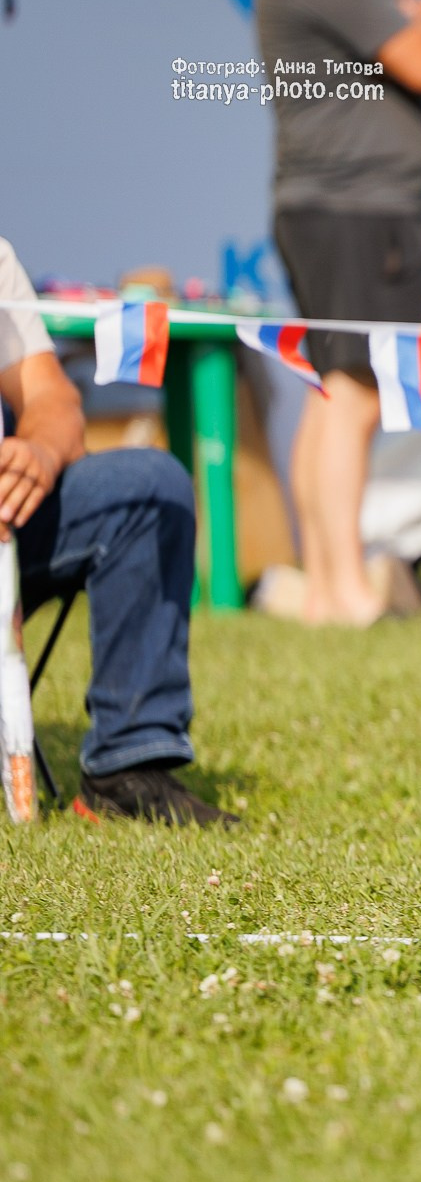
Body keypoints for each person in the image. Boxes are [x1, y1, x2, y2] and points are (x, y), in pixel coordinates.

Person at [255, 0, 421, 628]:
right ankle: (342, 591)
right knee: (356, 393)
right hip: (358, 213)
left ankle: (325, 585)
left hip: (329, 207)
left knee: (332, 388)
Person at [0, 238, 226, 824]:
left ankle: (127, 769)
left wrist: (40, 455)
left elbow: (52, 399)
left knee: (148, 486)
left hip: (10, 530)